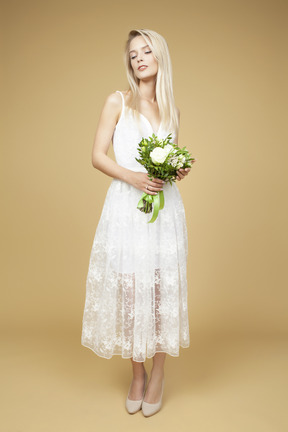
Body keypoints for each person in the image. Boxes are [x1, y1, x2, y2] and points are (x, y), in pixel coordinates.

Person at [81, 28, 195, 417]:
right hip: (126, 208)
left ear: (160, 55)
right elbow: (98, 155)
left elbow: (168, 159)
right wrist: (133, 177)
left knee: (162, 290)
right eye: (133, 55)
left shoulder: (172, 111)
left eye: (146, 51)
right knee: (131, 290)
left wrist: (174, 170)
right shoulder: (118, 101)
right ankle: (137, 374)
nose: (140, 59)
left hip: (165, 211)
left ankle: (159, 373)